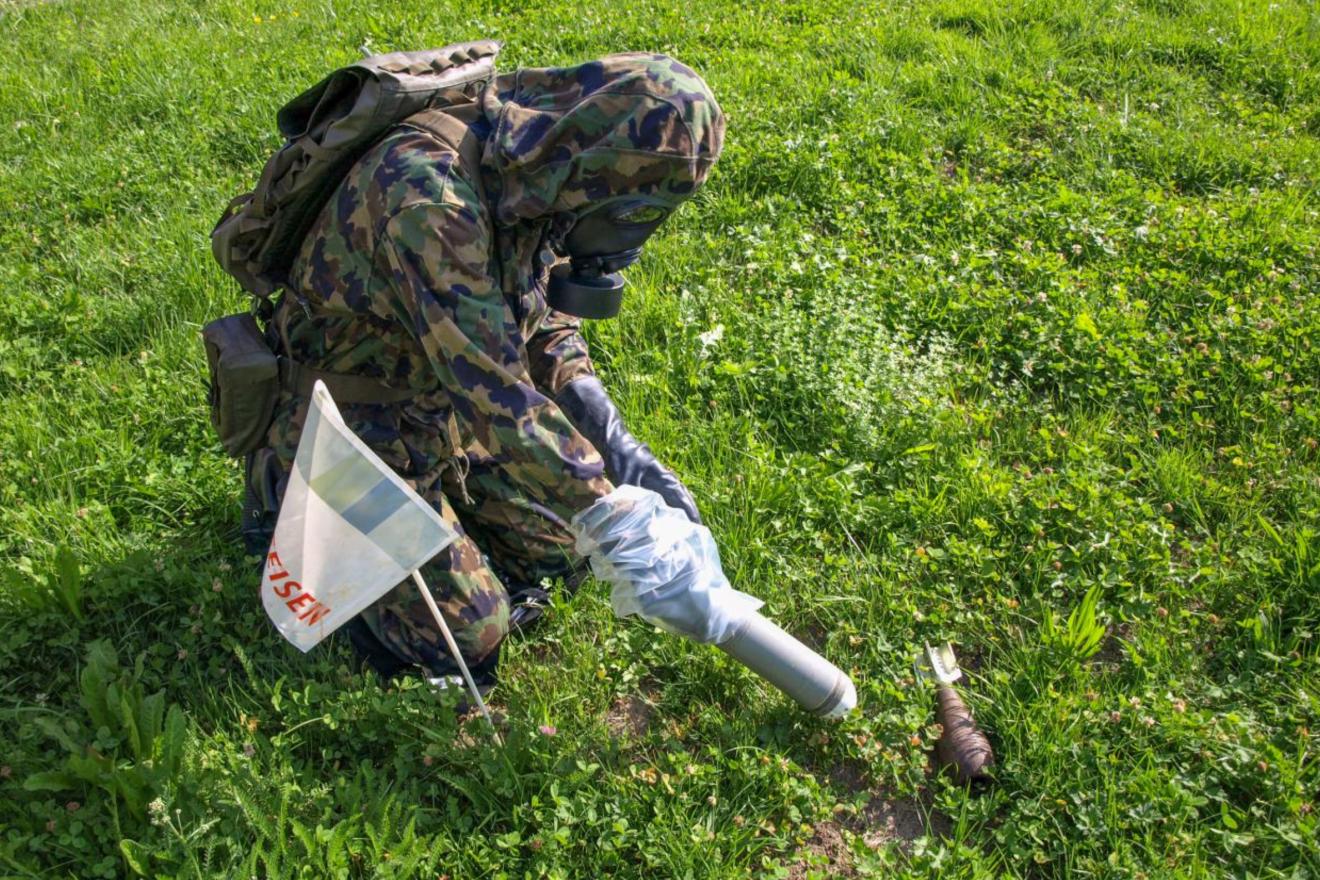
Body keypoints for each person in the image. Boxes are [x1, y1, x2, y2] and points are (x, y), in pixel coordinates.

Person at [240, 53, 725, 688]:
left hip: (438, 404)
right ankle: (285, 504)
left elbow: (540, 319)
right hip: (346, 431)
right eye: (630, 212)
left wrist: (614, 440)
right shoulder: (428, 200)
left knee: (563, 552)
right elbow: (495, 395)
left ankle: (450, 509)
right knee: (472, 634)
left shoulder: (537, 169)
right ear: (598, 171)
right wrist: (618, 517)